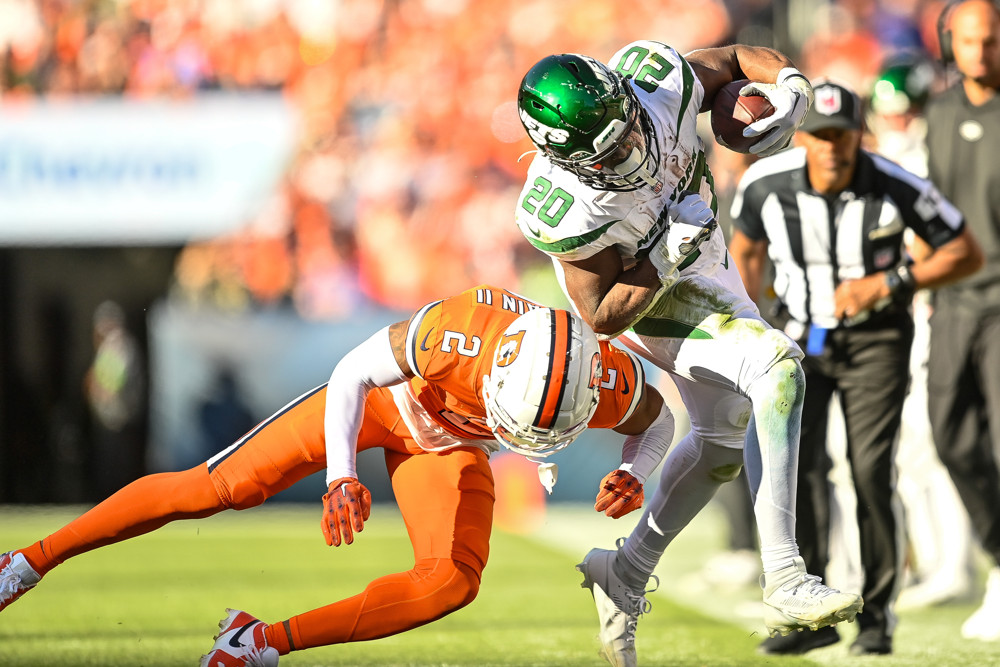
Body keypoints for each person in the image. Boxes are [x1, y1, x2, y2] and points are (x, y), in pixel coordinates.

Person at [0, 284, 677, 666]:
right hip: (387, 402)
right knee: (220, 486)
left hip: (445, 449)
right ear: (495, 373)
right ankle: (26, 561)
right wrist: (341, 474)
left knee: (450, 582)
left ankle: (256, 642)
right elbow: (352, 372)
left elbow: (658, 424)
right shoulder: (452, 334)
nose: (528, 439)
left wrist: (638, 468)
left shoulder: (605, 377)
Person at [514, 40, 863, 667]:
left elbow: (734, 57)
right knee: (777, 367)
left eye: (629, 130)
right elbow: (601, 315)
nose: (632, 149)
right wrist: (661, 258)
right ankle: (784, 576)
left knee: (724, 441)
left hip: (710, 260)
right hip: (655, 294)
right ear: (566, 157)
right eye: (611, 150)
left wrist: (790, 88)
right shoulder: (564, 206)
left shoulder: (660, 83)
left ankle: (624, 570)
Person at [728, 79, 983, 655]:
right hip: (798, 342)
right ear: (803, 138)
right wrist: (757, 317)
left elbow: (963, 248)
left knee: (870, 471)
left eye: (842, 136)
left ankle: (876, 618)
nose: (832, 149)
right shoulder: (765, 184)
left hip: (877, 341)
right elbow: (744, 249)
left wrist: (889, 283)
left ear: (859, 137)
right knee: (802, 471)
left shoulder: (896, 185)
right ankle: (810, 614)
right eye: (820, 137)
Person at [867, 54, 977, 611]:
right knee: (909, 448)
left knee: (937, 440)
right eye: (890, 113)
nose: (897, 122)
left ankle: (957, 564)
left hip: (937, 308)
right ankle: (936, 562)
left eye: (906, 111)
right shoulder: (886, 156)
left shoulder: (942, 150)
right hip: (898, 312)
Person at [924, 0, 1000, 642]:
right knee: (950, 437)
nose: (980, 52)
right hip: (952, 301)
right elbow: (934, 205)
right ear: (953, 44)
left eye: (991, 40)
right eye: (971, 41)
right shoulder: (942, 112)